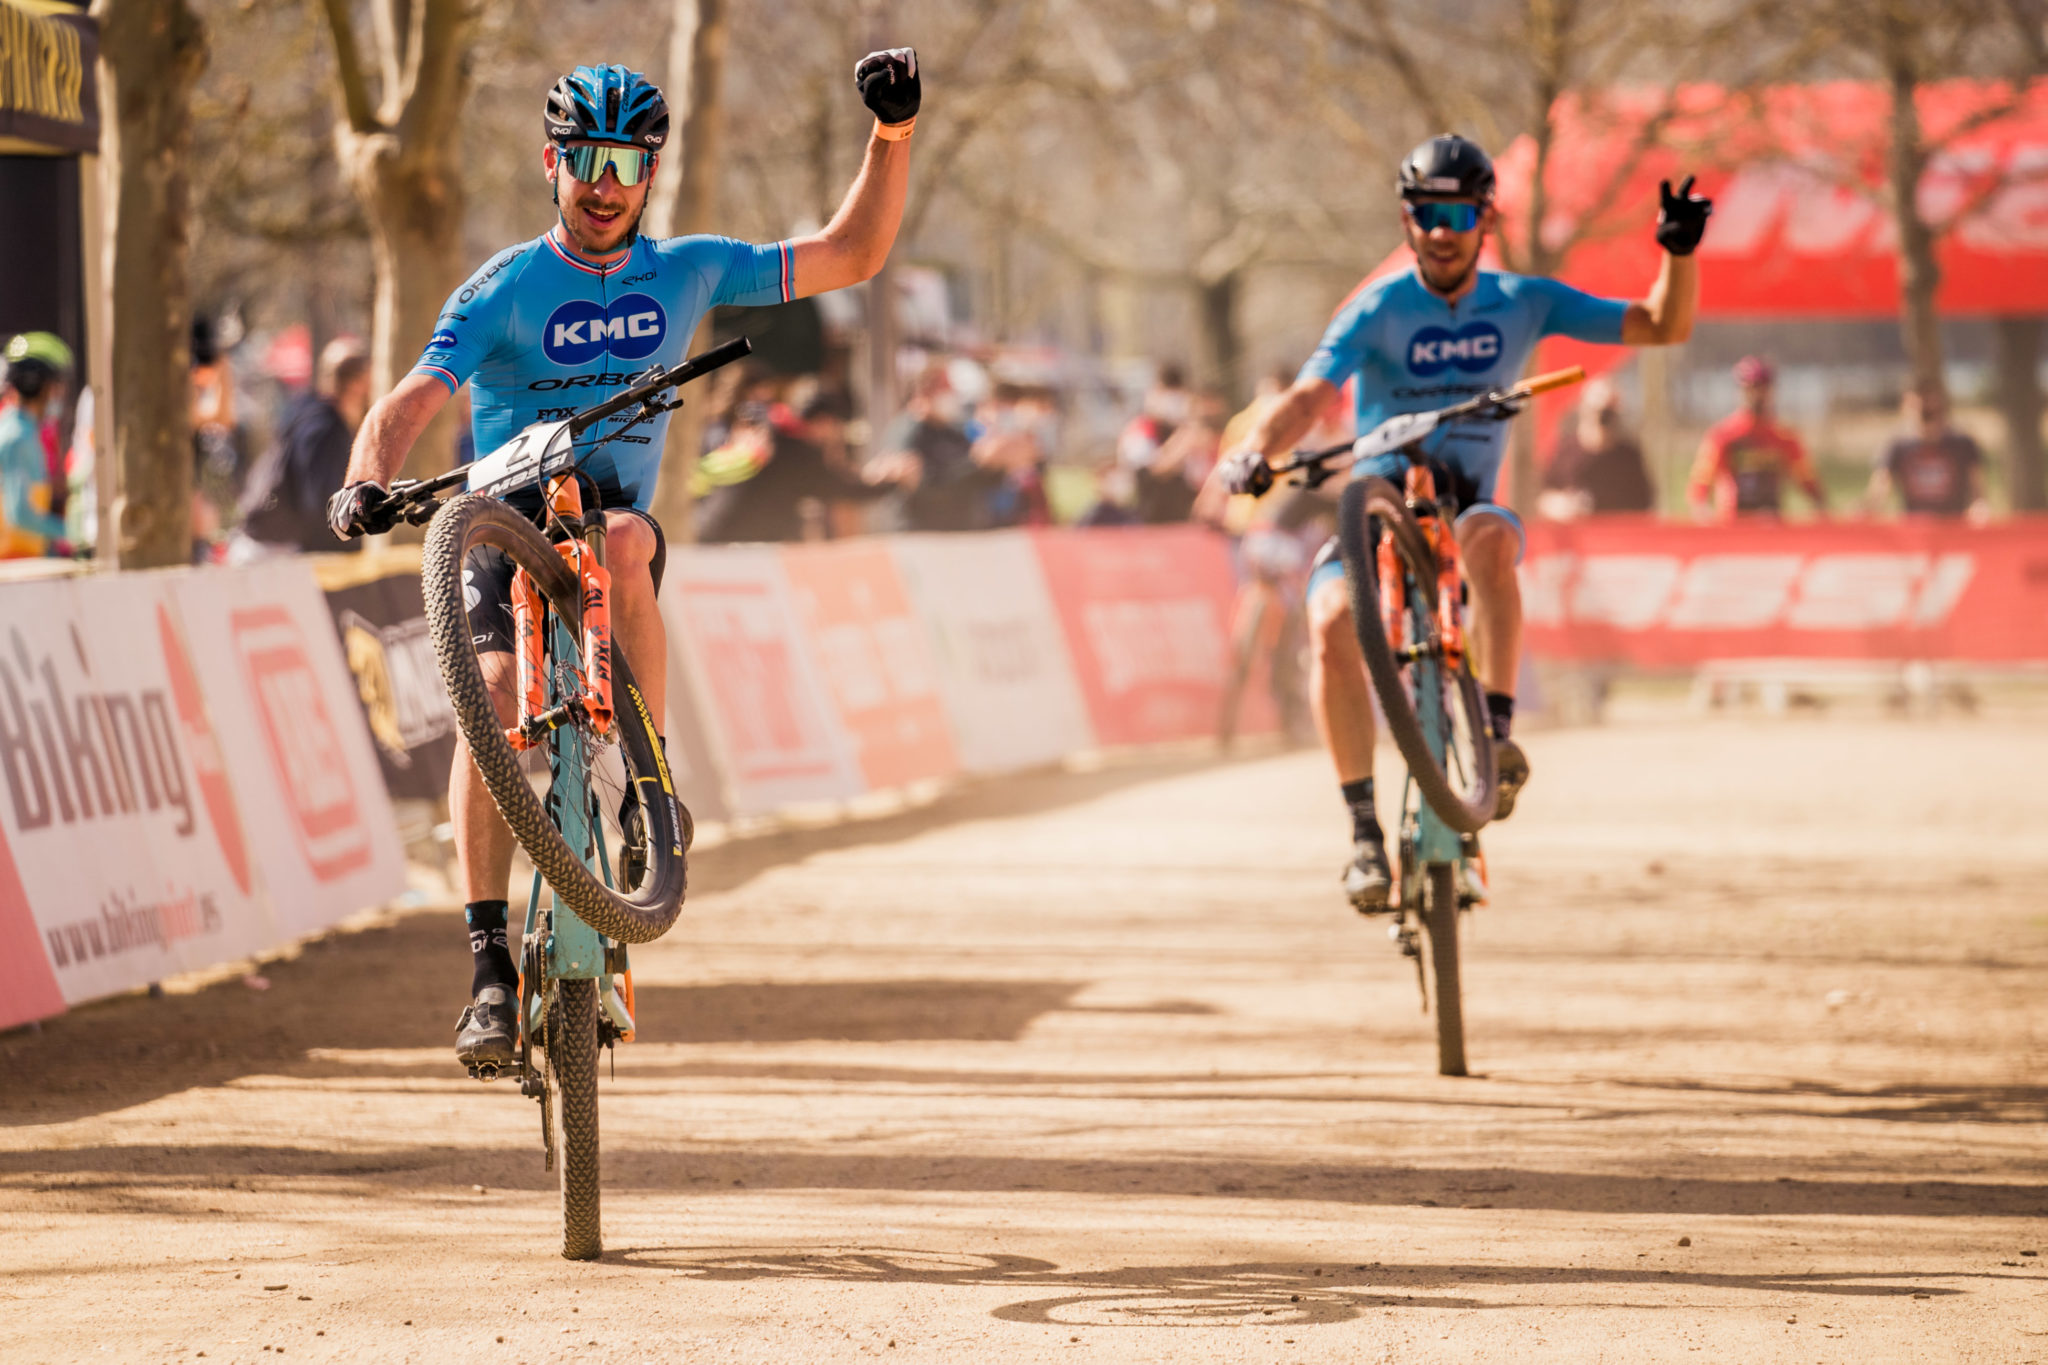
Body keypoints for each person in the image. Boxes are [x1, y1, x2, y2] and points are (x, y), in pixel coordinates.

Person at [325, 52, 922, 1069]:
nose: (602, 184)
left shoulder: (686, 268)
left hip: (606, 528)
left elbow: (851, 252)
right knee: (500, 698)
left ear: (650, 174)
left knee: (634, 537)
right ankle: (484, 967)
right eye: (582, 160)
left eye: (624, 162)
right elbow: (411, 402)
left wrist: (892, 134)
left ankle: (646, 777)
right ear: (549, 166)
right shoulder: (507, 285)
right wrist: (365, 477)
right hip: (501, 519)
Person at [1217, 135, 1708, 913]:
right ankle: (1364, 836)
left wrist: (1677, 255)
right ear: (1407, 221)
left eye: (1456, 212)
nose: (1440, 230)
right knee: (1331, 621)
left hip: (1470, 496)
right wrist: (1252, 451)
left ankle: (1499, 728)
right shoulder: (1376, 308)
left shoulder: (1523, 302)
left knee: (1490, 538)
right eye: (1424, 213)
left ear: (1484, 218)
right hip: (1379, 497)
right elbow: (1311, 398)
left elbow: (1660, 325)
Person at [693, 392, 903, 542]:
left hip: (709, 532)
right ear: (825, 421)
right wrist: (891, 482)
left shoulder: (775, 433)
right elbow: (843, 488)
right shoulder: (801, 455)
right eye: (837, 427)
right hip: (745, 548)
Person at [232, 338, 373, 559]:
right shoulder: (323, 428)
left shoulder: (309, 411)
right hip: (275, 552)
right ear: (359, 384)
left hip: (268, 545)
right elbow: (321, 505)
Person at [1688, 356, 1825, 521]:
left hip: (1772, 524)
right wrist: (1701, 509)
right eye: (1751, 388)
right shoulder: (1723, 435)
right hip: (1732, 525)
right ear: (1740, 391)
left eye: (1763, 388)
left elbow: (1806, 479)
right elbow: (1701, 480)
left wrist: (1819, 505)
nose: (1757, 395)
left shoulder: (1784, 437)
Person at [874, 361, 1002, 531]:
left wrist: (996, 466)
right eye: (946, 388)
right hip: (922, 535)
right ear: (926, 391)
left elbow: (976, 478)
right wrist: (977, 465)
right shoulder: (907, 432)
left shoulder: (954, 430)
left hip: (960, 533)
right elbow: (922, 485)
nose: (952, 394)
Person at [1865, 383, 1989, 521]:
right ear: (1906, 409)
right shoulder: (1897, 446)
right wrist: (1868, 509)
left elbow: (1978, 492)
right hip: (1914, 530)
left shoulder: (1963, 444)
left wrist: (1979, 508)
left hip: (1953, 527)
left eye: (1933, 411)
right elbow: (1881, 486)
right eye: (1923, 412)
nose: (1928, 417)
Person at [0, 333, 74, 557]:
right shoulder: (17, 436)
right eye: (56, 384)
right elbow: (20, 514)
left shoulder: (23, 430)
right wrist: (73, 533)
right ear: (37, 385)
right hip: (14, 570)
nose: (60, 393)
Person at [1537, 377, 1654, 518]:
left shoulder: (1628, 457)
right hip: (1575, 536)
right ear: (1583, 409)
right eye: (1597, 411)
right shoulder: (1565, 451)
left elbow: (1645, 506)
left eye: (1609, 413)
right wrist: (1560, 506)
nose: (1602, 419)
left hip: (1615, 536)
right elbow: (1542, 496)